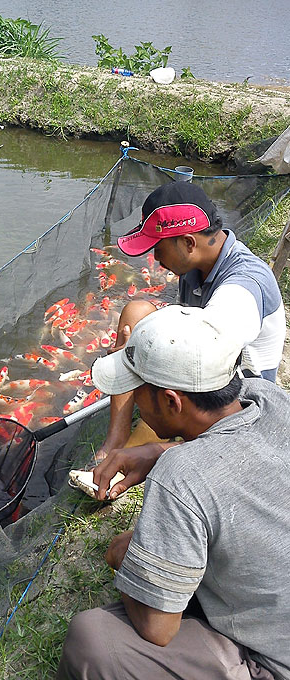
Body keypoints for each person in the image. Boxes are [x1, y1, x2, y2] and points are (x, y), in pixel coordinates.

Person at [57, 305, 290, 680]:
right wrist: (158, 449)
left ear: (170, 401)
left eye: (137, 393)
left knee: (92, 641)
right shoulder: (269, 398)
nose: (133, 402)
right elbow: (235, 457)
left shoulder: (182, 476)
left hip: (276, 660)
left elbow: (157, 627)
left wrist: (127, 556)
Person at [96, 181, 286, 461]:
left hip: (233, 399)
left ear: (188, 243)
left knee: (136, 357)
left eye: (158, 248)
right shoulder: (196, 266)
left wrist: (132, 359)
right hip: (198, 378)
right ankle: (117, 439)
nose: (155, 258)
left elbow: (202, 358)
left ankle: (155, 449)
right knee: (136, 312)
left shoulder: (243, 286)